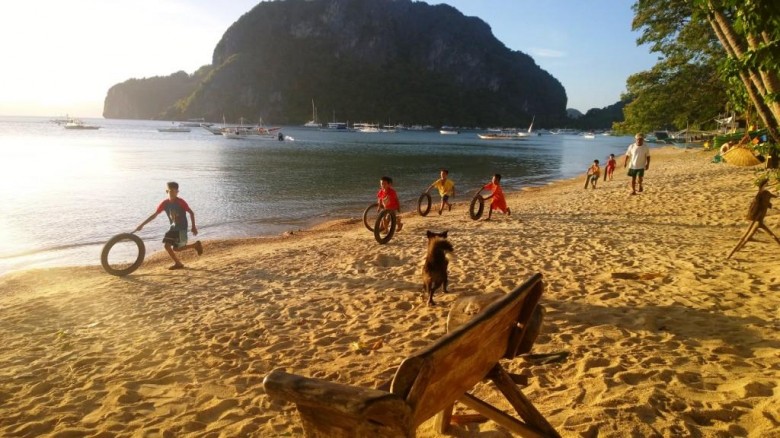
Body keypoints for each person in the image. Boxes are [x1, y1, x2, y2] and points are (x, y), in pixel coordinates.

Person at [136, 181, 203, 270]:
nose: (172, 193)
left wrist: (193, 226)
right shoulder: (164, 203)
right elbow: (154, 215)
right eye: (170, 191)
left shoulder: (181, 202)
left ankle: (195, 245)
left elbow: (191, 213)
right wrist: (142, 225)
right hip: (173, 228)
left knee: (177, 249)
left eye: (175, 191)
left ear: (177, 192)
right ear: (167, 191)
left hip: (182, 228)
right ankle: (178, 263)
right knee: (167, 246)